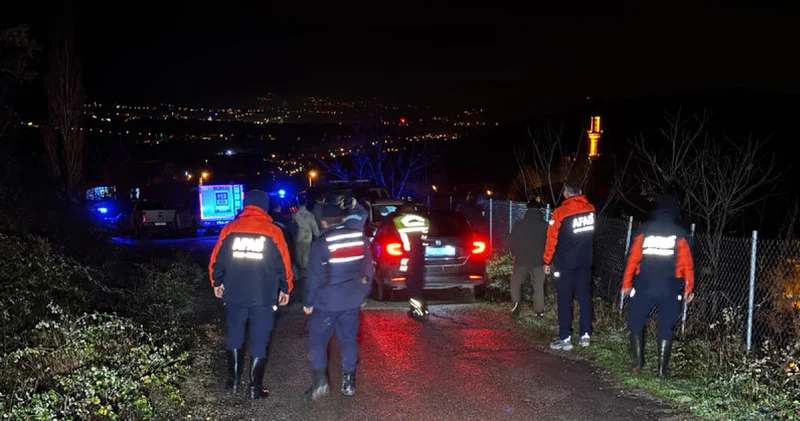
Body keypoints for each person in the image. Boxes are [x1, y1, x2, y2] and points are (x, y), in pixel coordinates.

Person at [208, 190, 294, 399]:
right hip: (263, 296)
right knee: (259, 338)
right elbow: (283, 264)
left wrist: (216, 283)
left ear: (245, 205)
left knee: (235, 335)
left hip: (235, 293)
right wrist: (286, 288)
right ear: (264, 207)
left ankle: (233, 383)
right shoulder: (273, 231)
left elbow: (217, 261)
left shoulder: (229, 229)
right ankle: (255, 388)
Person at [303, 204, 374, 399]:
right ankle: (349, 383)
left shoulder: (321, 243)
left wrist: (308, 302)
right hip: (351, 301)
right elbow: (368, 271)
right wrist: (362, 294)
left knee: (318, 339)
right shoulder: (360, 239)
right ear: (343, 220)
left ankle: (320, 382)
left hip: (326, 302)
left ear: (324, 222)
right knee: (348, 339)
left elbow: (315, 278)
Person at [621, 194, 695, 378]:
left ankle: (637, 363)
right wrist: (688, 289)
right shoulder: (681, 233)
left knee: (636, 321)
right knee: (665, 327)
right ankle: (662, 371)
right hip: (670, 288)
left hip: (644, 286)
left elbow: (633, 260)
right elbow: (688, 264)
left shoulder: (644, 230)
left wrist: (626, 284)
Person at [543, 182, 596, 351]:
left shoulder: (560, 213)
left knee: (565, 300)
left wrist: (546, 261)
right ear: (580, 192)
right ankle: (585, 335)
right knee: (585, 298)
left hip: (565, 264)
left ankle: (565, 339)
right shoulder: (591, 210)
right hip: (585, 262)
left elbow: (552, 239)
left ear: (565, 193)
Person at [390, 205, 430, 319]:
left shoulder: (398, 221)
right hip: (420, 256)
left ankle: (417, 311)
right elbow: (425, 238)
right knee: (419, 282)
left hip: (407, 257)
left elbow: (394, 236)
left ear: (402, 212)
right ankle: (423, 308)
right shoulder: (424, 220)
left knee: (412, 284)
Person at [510, 201, 549, 317]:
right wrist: (548, 260)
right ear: (540, 210)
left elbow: (512, 241)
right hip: (539, 261)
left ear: (527, 210)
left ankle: (516, 306)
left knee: (515, 283)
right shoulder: (545, 225)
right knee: (538, 287)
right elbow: (550, 243)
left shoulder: (519, 225)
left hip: (521, 260)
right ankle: (539, 311)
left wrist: (514, 252)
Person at [292, 197, 320, 279]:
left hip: (297, 237)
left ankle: (299, 272)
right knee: (306, 254)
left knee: (298, 254)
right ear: (306, 204)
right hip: (308, 237)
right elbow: (315, 227)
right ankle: (305, 272)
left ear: (298, 204)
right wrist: (318, 237)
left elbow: (291, 227)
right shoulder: (310, 215)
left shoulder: (294, 215)